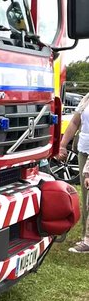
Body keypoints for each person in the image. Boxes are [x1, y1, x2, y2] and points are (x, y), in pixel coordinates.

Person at [60, 92, 89, 252]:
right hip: (84, 150)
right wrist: (63, 145)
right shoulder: (87, 98)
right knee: (86, 196)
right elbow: (74, 123)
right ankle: (86, 236)